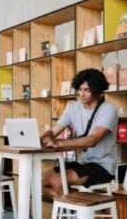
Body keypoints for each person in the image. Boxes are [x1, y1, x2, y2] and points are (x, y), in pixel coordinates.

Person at [41, 68, 119, 197]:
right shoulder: (73, 107)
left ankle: (76, 211)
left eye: (87, 90)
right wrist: (42, 138)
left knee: (57, 181)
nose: (81, 94)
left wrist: (58, 143)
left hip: (103, 166)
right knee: (41, 181)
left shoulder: (109, 110)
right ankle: (73, 209)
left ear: (98, 90)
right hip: (84, 162)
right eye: (80, 89)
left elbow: (93, 139)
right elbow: (53, 131)